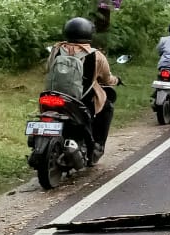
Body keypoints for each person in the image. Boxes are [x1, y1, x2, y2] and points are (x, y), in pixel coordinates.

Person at [45, 16, 121, 158]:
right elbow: (107, 79)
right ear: (88, 34)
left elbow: (48, 68)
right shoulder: (96, 55)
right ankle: (97, 146)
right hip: (80, 100)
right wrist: (116, 80)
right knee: (107, 108)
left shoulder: (56, 50)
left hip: (53, 96)